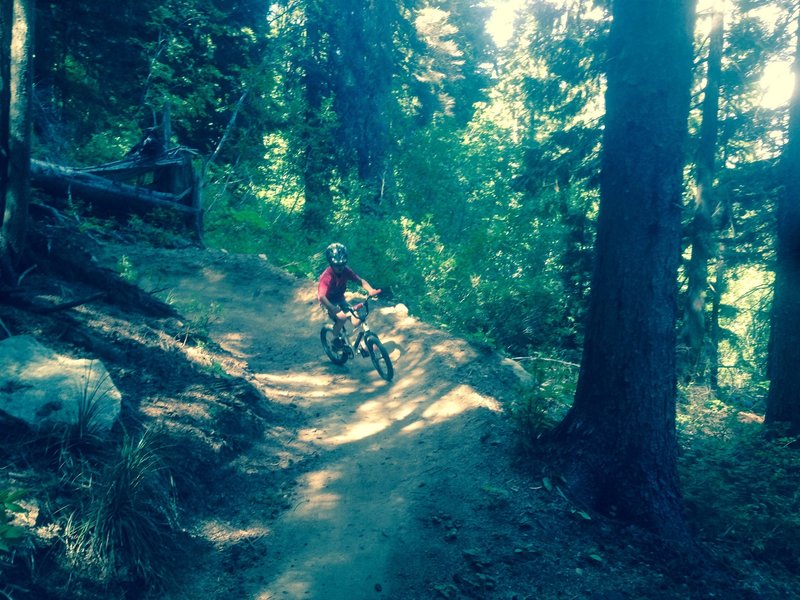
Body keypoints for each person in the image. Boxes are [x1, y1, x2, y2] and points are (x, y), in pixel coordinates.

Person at [318, 242, 378, 344]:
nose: (340, 267)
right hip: (328, 302)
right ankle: (334, 339)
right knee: (342, 318)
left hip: (340, 299)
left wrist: (371, 290)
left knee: (357, 320)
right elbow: (321, 296)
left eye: (343, 264)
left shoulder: (346, 270)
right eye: (337, 265)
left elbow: (360, 281)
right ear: (331, 263)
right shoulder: (327, 276)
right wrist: (332, 308)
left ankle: (359, 342)